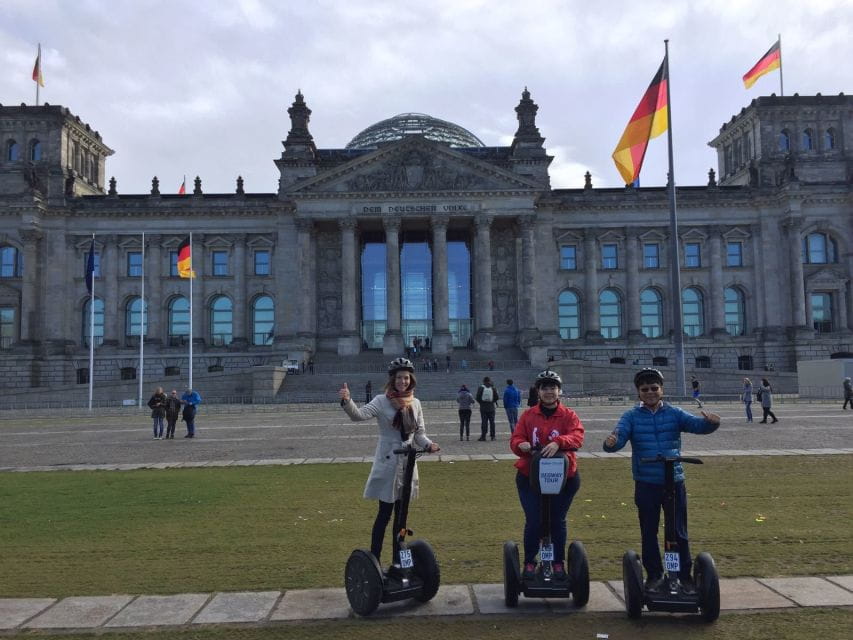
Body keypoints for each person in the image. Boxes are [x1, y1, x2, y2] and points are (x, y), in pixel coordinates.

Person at [603, 368, 720, 594]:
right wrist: (611, 444)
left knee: (678, 531)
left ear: (662, 390)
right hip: (647, 482)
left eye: (654, 388)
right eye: (645, 389)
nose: (650, 393)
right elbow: (618, 438)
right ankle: (654, 575)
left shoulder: (674, 413)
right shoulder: (631, 416)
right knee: (649, 531)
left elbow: (696, 425)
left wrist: (711, 423)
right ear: (638, 392)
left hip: (673, 481)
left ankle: (683, 576)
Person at [338, 358, 440, 563]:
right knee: (384, 514)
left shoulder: (415, 402)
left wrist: (429, 444)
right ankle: (374, 559)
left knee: (402, 518)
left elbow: (419, 433)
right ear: (392, 380)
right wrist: (347, 401)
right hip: (388, 462)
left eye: (406, 377)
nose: (402, 381)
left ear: (410, 379)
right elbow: (359, 415)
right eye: (399, 378)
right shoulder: (381, 400)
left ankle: (399, 560)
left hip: (407, 464)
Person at [510, 370, 584, 580]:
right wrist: (520, 444)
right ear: (538, 391)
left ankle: (558, 562)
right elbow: (515, 439)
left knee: (556, 521)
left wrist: (558, 442)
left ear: (559, 391)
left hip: (564, 478)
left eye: (553, 387)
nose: (549, 392)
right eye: (545, 388)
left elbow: (577, 436)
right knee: (534, 520)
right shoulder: (528, 415)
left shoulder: (569, 415)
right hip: (530, 478)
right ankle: (530, 562)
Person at [476, 376, 499, 441]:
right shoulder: (493, 388)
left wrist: (481, 403)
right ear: (489, 380)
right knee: (492, 422)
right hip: (491, 407)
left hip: (483, 407)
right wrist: (492, 402)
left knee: (484, 422)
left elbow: (477, 397)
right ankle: (493, 436)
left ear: (483, 381)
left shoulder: (481, 387)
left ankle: (483, 436)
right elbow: (497, 397)